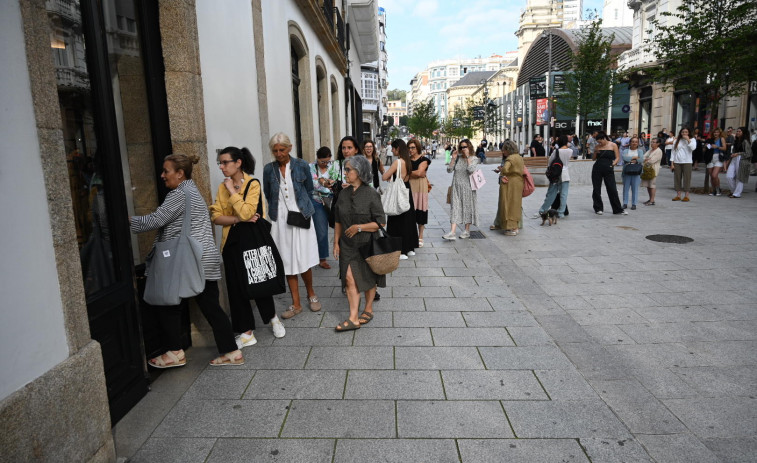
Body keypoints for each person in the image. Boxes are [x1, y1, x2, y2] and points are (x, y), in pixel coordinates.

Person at [131, 153, 244, 367]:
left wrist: (123, 220)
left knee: (168, 302)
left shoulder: (179, 194)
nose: (162, 175)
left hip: (191, 260)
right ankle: (230, 352)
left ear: (180, 173)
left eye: (167, 171)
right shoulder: (190, 190)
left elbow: (156, 219)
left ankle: (175, 353)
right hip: (202, 258)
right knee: (208, 305)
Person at [210, 146, 286, 348]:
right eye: (220, 162)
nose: (222, 166)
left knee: (259, 280)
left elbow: (248, 212)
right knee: (236, 289)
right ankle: (246, 332)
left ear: (238, 163)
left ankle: (273, 318)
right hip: (231, 243)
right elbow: (216, 216)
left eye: (225, 162)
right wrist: (236, 219)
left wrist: (232, 192)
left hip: (252, 242)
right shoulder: (221, 187)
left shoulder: (252, 184)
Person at [263, 133, 321, 319]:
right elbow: (268, 192)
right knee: (287, 260)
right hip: (280, 219)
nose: (278, 154)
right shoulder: (268, 169)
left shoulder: (302, 165)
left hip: (300, 214)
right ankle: (296, 303)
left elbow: (309, 189)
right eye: (275, 150)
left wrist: (300, 206)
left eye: (282, 149)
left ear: (290, 148)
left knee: (303, 256)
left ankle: (311, 294)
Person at [333, 155, 386, 331]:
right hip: (347, 245)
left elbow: (381, 222)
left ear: (360, 172)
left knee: (368, 278)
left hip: (367, 243)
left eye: (349, 170)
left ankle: (368, 308)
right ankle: (353, 318)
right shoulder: (343, 193)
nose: (345, 173)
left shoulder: (371, 194)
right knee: (349, 279)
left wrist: (360, 227)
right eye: (345, 169)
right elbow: (338, 220)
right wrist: (335, 243)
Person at [382, 139, 419, 257]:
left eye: (393, 148)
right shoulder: (408, 161)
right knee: (408, 220)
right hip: (406, 190)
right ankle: (410, 248)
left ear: (397, 148)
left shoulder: (397, 162)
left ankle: (400, 249)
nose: (392, 150)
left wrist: (385, 172)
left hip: (398, 192)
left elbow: (384, 177)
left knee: (397, 220)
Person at [443, 139, 479, 239]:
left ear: (469, 147)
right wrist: (453, 159)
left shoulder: (474, 158)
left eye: (465, 147)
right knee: (454, 208)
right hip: (456, 186)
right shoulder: (458, 158)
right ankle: (452, 232)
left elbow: (471, 170)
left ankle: (467, 230)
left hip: (468, 187)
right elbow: (449, 170)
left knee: (467, 208)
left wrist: (467, 157)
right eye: (461, 147)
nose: (463, 149)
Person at [310, 146, 339, 269]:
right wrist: (326, 184)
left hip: (333, 201)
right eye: (322, 161)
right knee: (321, 231)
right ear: (317, 158)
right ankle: (322, 258)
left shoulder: (334, 166)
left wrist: (329, 184)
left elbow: (336, 178)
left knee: (338, 228)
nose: (325, 164)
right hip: (318, 201)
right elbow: (314, 183)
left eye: (327, 161)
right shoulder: (311, 167)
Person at [591, 131, 627, 215]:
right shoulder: (597, 146)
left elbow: (617, 157)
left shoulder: (613, 145)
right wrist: (595, 152)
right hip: (597, 168)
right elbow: (593, 159)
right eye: (598, 142)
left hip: (608, 169)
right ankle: (598, 208)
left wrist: (613, 164)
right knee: (596, 189)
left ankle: (617, 209)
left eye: (600, 141)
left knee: (612, 189)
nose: (600, 143)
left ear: (604, 138)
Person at [536, 135, 571, 218]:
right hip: (565, 174)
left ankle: (543, 210)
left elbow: (550, 161)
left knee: (551, 193)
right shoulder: (570, 151)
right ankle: (561, 212)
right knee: (564, 194)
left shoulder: (557, 151)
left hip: (556, 174)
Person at [496, 140, 524, 236]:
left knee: (508, 204)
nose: (503, 152)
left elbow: (505, 169)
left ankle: (511, 228)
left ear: (508, 150)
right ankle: (516, 226)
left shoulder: (510, 158)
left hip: (510, 183)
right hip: (518, 182)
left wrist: (501, 170)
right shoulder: (519, 157)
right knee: (516, 204)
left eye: (504, 150)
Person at [407, 139, 431, 247]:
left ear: (417, 148)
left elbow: (420, 173)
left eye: (413, 147)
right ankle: (411, 235)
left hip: (421, 188)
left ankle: (420, 236)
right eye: (409, 147)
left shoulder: (424, 159)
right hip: (410, 187)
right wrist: (414, 173)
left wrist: (408, 173)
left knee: (421, 211)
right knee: (410, 212)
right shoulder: (406, 160)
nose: (410, 150)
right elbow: (415, 173)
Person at [725, 126, 752, 198]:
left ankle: (736, 193)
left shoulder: (745, 141)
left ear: (743, 133)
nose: (737, 132)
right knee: (729, 176)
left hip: (741, 159)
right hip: (734, 158)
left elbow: (748, 153)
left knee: (739, 177)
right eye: (737, 131)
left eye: (739, 131)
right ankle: (734, 191)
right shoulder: (736, 140)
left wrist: (738, 154)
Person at [670, 127, 695, 202]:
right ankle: (678, 195)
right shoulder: (677, 140)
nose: (684, 133)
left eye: (686, 132)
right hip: (677, 162)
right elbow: (673, 152)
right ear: (680, 133)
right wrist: (672, 163)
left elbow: (693, 148)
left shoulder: (692, 140)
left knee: (687, 178)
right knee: (677, 178)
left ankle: (686, 195)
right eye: (683, 132)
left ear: (688, 133)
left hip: (687, 162)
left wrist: (688, 140)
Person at [622, 136, 645, 210]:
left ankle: (634, 204)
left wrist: (631, 158)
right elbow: (624, 158)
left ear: (638, 143)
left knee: (635, 188)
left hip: (636, 171)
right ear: (630, 143)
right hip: (627, 171)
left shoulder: (640, 151)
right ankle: (625, 203)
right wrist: (635, 158)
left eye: (636, 142)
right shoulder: (626, 150)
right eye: (633, 142)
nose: (634, 143)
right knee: (626, 188)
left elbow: (641, 159)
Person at [641, 137, 663, 206]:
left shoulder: (658, 151)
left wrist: (647, 160)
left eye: (654, 142)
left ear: (658, 144)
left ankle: (652, 200)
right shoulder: (650, 150)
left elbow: (652, 160)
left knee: (652, 185)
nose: (652, 143)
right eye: (651, 142)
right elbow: (643, 157)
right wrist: (646, 159)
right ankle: (650, 198)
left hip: (653, 170)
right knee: (648, 185)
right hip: (647, 170)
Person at [707, 127, 726, 196]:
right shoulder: (710, 140)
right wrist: (707, 146)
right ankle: (713, 190)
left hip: (718, 157)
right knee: (711, 176)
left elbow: (724, 148)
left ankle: (718, 189)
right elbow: (706, 148)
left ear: (720, 133)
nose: (716, 133)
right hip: (710, 157)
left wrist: (717, 147)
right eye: (715, 132)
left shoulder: (721, 139)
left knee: (714, 175)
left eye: (717, 132)